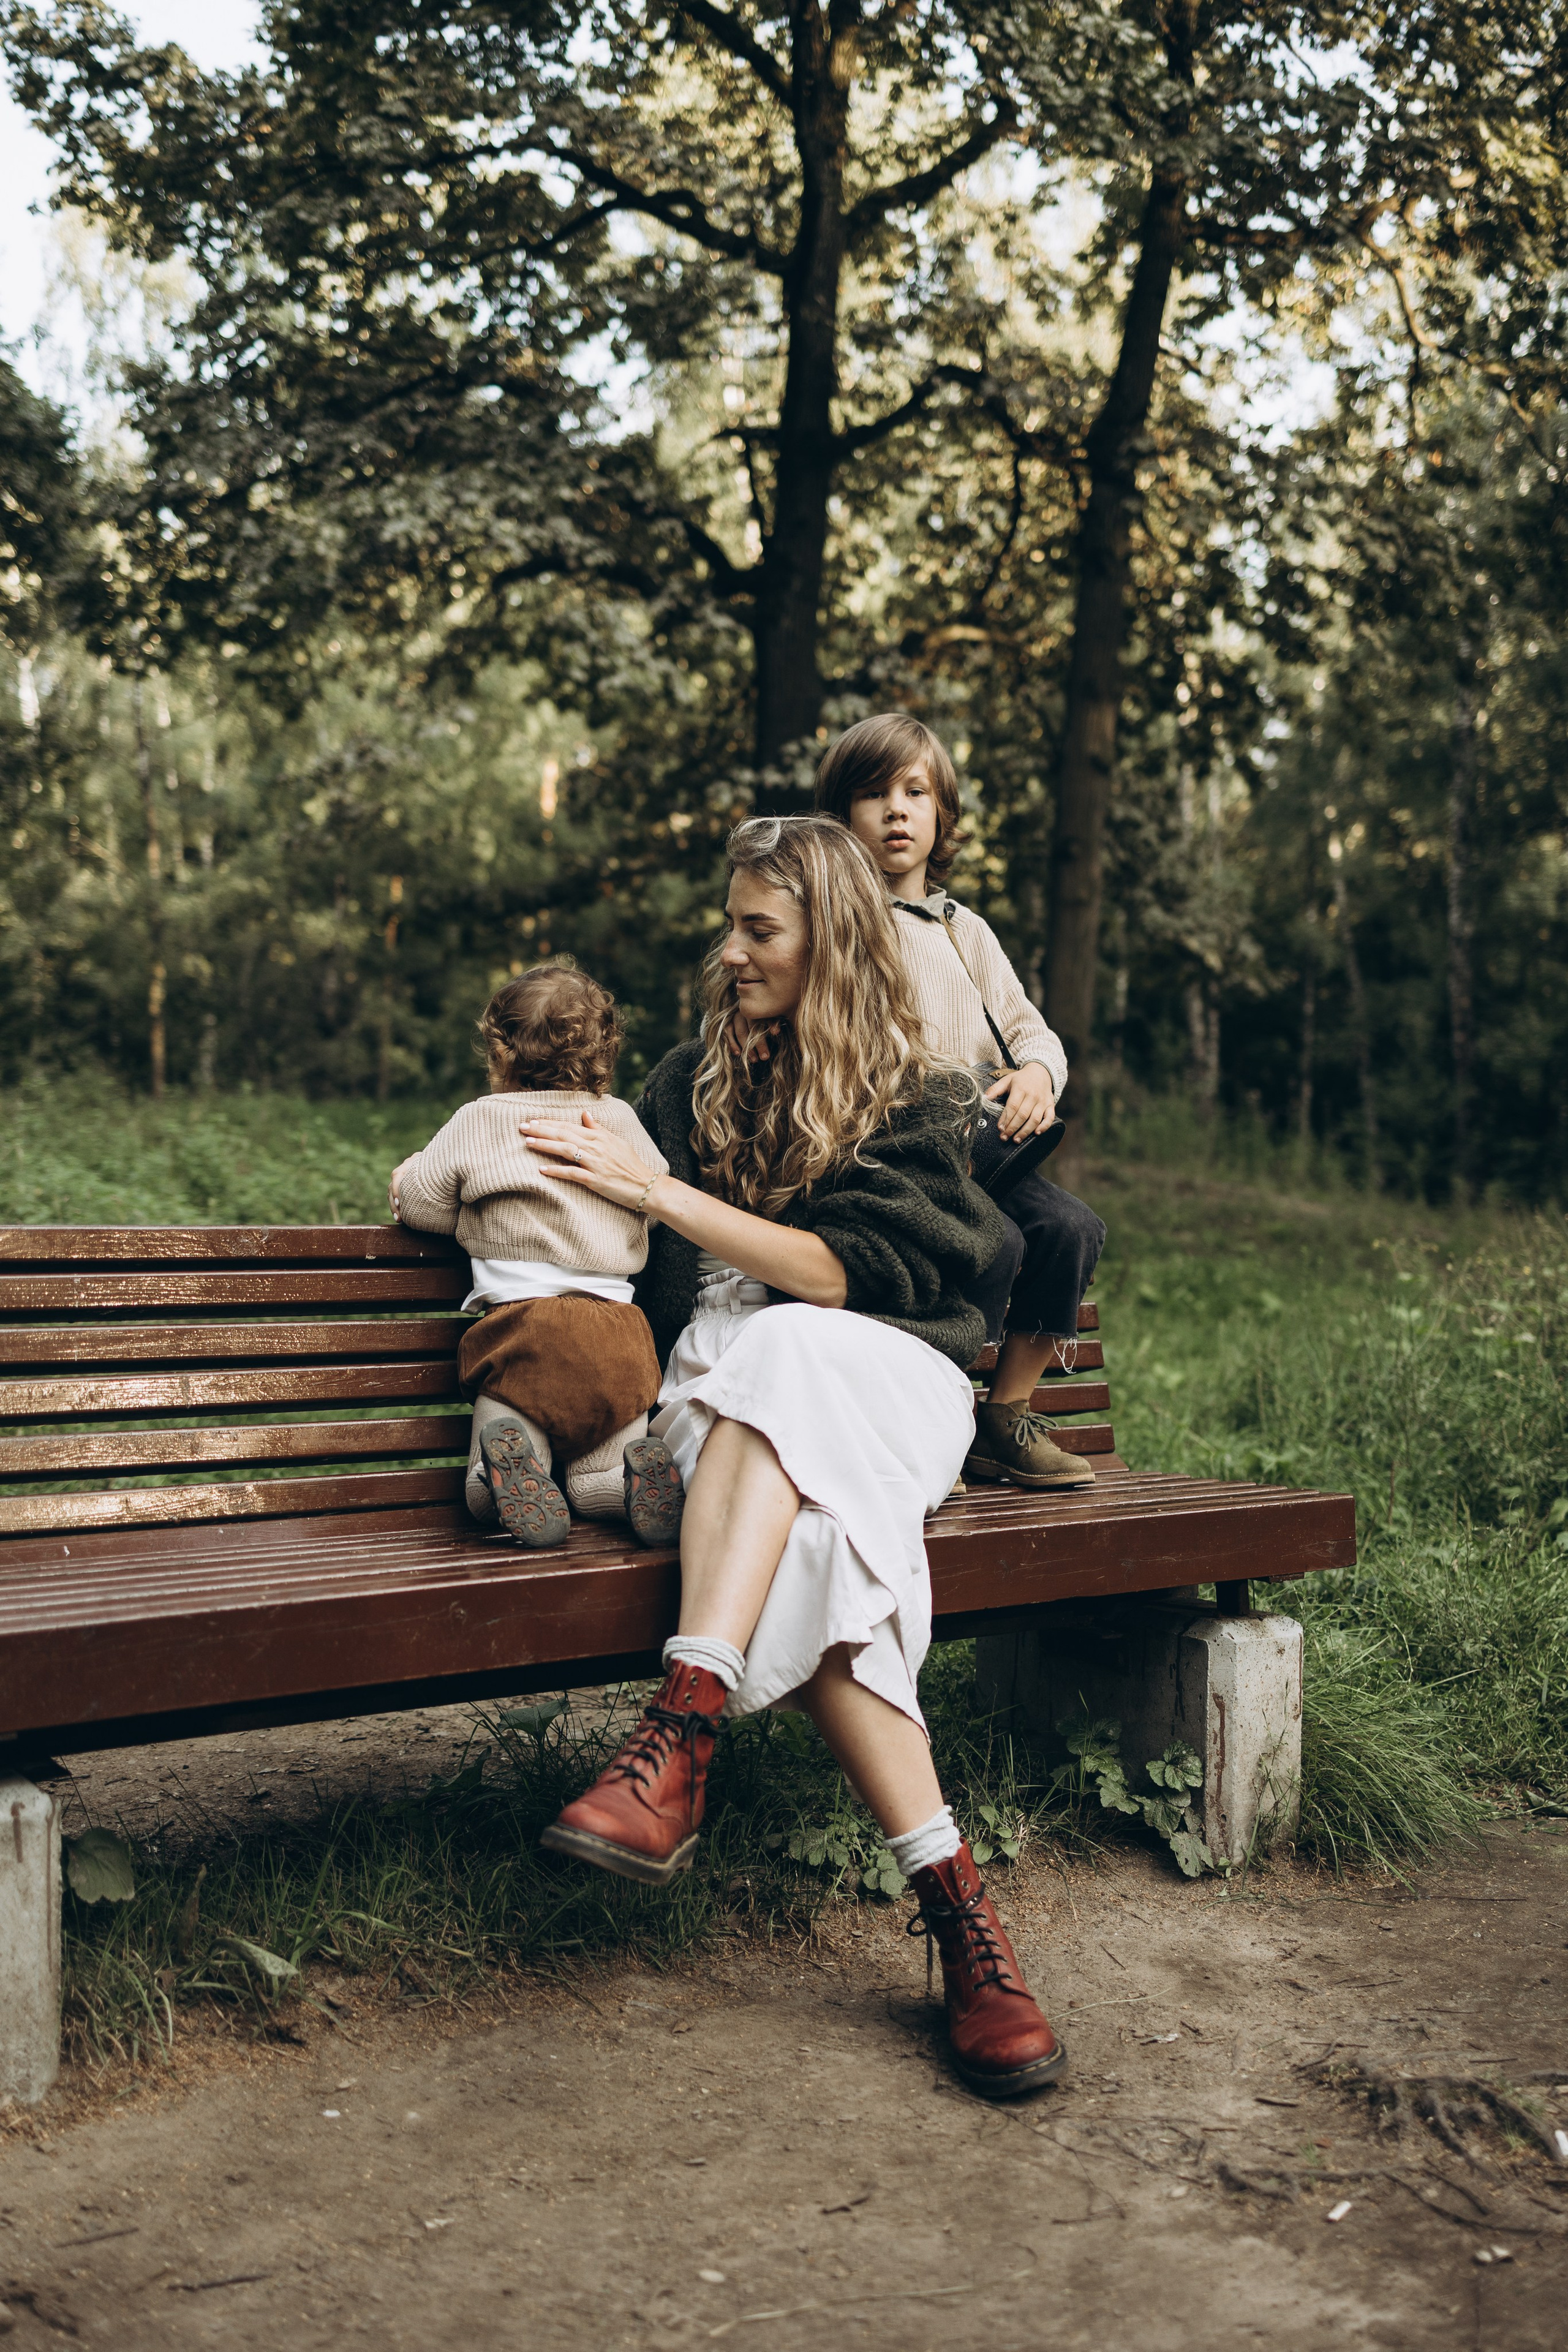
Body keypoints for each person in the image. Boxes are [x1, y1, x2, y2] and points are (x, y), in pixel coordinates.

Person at [518, 815, 1068, 2100]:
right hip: (717, 1417)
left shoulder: (920, 1093)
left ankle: (680, 1732)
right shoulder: (686, 1084)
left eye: (756, 929)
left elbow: (839, 1277)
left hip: (886, 1383)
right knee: (817, 1542)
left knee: (787, 1345)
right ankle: (957, 1907)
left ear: (832, 940)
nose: (729, 952)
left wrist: (662, 1194)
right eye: (730, 926)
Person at [814, 713, 1106, 1493]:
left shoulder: (962, 930)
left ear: (942, 813)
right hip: (892, 1150)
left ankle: (1004, 1417)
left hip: (982, 1149)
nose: (896, 810)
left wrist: (1038, 1074)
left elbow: (1031, 1031)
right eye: (873, 794)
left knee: (1070, 1228)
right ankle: (927, 1421)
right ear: (842, 815)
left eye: (916, 792)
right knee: (994, 1242)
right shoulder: (836, 923)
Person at [388, 964, 680, 1548]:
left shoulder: (481, 1119)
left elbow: (423, 1205)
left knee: (488, 1477)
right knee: (594, 1479)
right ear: (605, 1051)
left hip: (526, 1336)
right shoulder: (619, 1119)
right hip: (621, 1340)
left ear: (500, 1051)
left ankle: (509, 1472)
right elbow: (652, 1200)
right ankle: (628, 1485)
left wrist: (417, 1181)